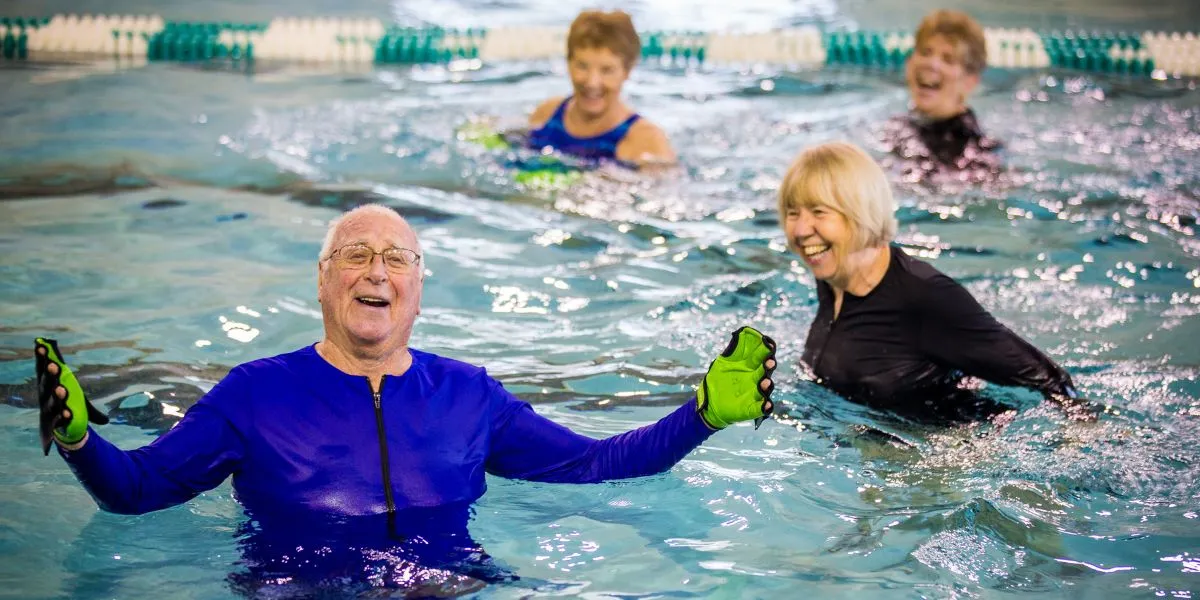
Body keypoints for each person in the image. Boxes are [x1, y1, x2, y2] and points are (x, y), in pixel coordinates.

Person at [34, 203, 775, 591]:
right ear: (323, 282)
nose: (375, 270)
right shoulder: (254, 396)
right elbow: (136, 491)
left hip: (452, 588)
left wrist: (699, 417)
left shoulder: (470, 396)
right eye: (354, 255)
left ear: (418, 290)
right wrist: (77, 439)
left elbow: (594, 465)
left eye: (396, 258)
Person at [778, 141, 1094, 421]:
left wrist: (1078, 431)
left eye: (819, 212)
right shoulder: (834, 277)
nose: (802, 229)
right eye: (793, 213)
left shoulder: (923, 295)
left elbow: (1047, 378)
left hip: (947, 458)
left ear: (860, 213)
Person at [523, 10, 675, 167]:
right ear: (568, 63)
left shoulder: (646, 141)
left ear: (627, 71)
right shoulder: (547, 114)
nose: (592, 82)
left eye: (607, 70)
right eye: (582, 66)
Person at [882, 9, 1001, 176]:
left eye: (948, 59)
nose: (932, 64)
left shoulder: (972, 153)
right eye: (925, 52)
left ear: (969, 82)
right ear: (909, 63)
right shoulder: (899, 125)